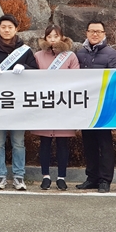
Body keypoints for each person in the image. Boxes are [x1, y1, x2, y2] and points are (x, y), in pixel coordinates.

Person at [0, 14, 38, 191]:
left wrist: (25, 68)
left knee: (18, 142)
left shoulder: (25, 51)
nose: (7, 30)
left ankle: (19, 176)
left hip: (18, 103)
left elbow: (36, 71)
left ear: (16, 29)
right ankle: (0, 176)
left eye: (10, 27)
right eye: (3, 27)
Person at [75, 20, 116, 193]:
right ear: (86, 33)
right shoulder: (79, 54)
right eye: (92, 31)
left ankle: (105, 180)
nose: (95, 34)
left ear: (104, 34)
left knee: (104, 144)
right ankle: (92, 178)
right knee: (88, 144)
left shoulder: (112, 54)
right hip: (85, 106)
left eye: (98, 31)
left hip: (103, 107)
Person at [32, 24, 80, 191]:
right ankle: (45, 176)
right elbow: (32, 78)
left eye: (56, 36)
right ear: (45, 38)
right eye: (49, 36)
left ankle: (61, 177)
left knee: (62, 143)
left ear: (62, 37)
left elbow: (76, 78)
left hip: (63, 104)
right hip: (44, 104)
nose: (52, 39)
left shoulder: (70, 56)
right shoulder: (38, 55)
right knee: (44, 142)